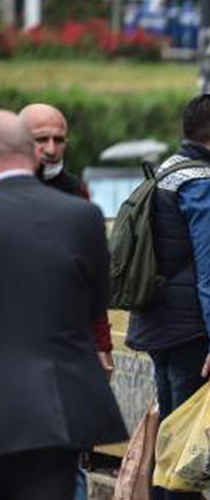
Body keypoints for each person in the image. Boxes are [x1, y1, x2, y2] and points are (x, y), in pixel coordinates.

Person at [125, 95, 210, 500]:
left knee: (171, 441)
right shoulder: (208, 186)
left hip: (159, 324)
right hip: (192, 336)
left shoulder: (168, 171)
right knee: (190, 454)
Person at [0, 109, 127, 500]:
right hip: (55, 402)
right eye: (44, 141)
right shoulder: (82, 216)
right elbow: (94, 301)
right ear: (30, 151)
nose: (52, 149)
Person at [19, 102, 115, 377]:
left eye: (58, 140)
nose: (51, 149)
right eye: (41, 139)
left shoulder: (75, 192)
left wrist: (102, 346)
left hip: (63, 339)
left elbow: (91, 274)